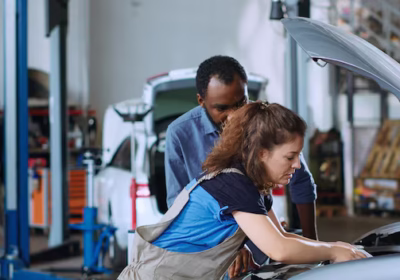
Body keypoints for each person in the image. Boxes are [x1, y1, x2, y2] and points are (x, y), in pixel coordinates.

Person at [118, 102, 367, 280]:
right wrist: (333, 251)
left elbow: (284, 237)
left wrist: (336, 246)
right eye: (290, 156)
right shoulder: (233, 184)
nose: (298, 165)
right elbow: (278, 249)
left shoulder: (251, 183)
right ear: (262, 154)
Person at [164, 55, 317, 276]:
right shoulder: (180, 134)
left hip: (261, 250)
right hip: (211, 252)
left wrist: (313, 245)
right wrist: (230, 245)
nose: (234, 116)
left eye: (240, 103)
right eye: (222, 108)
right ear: (201, 100)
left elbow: (301, 183)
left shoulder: (262, 125)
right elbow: (178, 206)